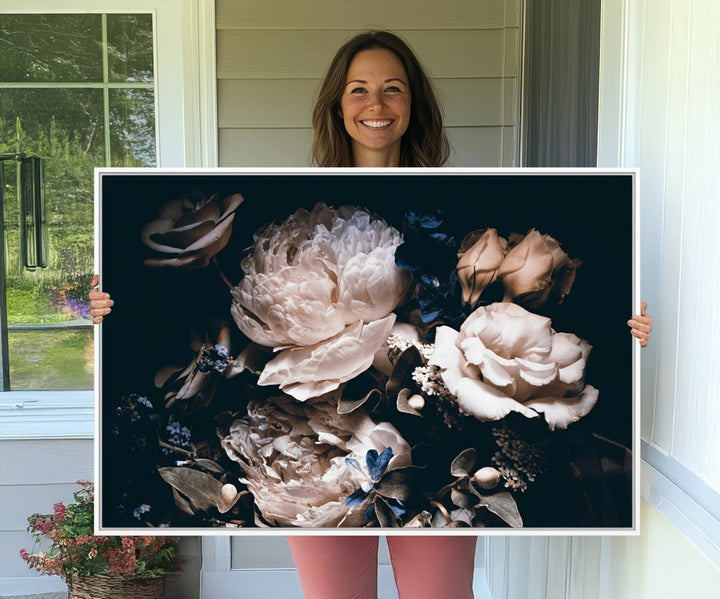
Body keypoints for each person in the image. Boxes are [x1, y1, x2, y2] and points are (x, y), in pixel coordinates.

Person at [90, 30, 653, 599]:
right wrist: (110, 307)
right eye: (358, 90)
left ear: (414, 106)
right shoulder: (293, 211)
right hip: (307, 451)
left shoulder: (461, 208)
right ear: (338, 105)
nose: (376, 105)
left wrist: (628, 332)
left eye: (393, 89)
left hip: (432, 455)